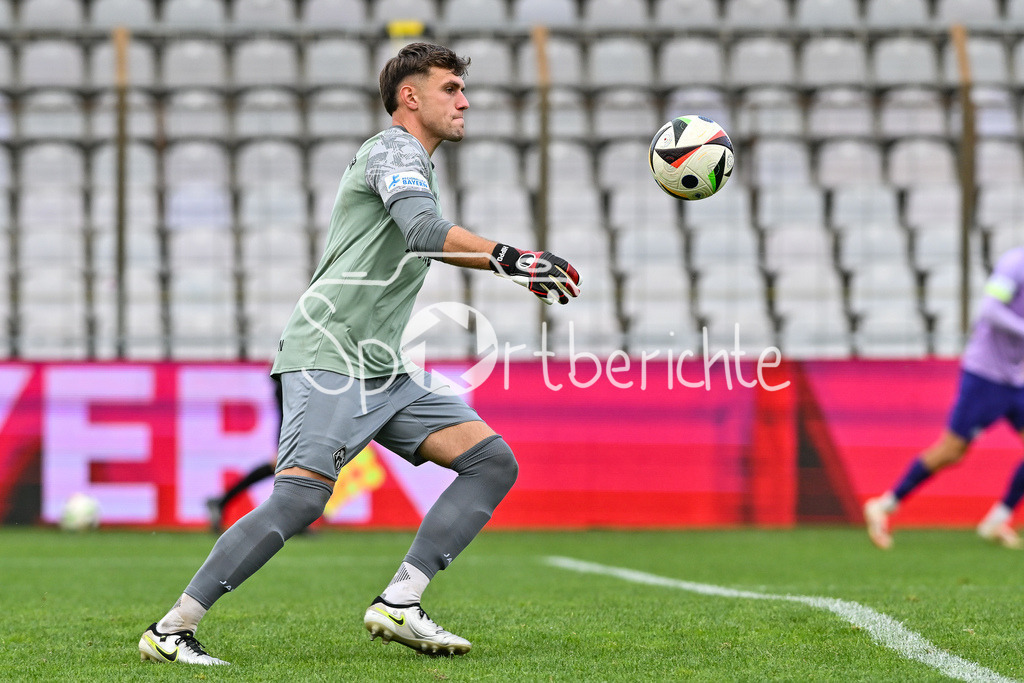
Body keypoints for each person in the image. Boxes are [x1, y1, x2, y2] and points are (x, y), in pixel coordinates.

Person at [139, 42, 581, 665]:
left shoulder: (415, 163)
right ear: (410, 96)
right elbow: (424, 232)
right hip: (329, 351)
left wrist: (505, 265)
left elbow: (427, 238)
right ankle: (171, 629)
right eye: (451, 88)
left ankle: (402, 601)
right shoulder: (393, 149)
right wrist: (513, 258)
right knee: (298, 499)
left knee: (490, 461)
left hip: (381, 365)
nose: (465, 100)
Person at [864, 246, 1024, 551]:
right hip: (985, 375)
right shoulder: (1015, 263)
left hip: (1015, 378)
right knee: (951, 450)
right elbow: (989, 309)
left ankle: (998, 519)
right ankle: (884, 505)